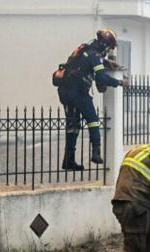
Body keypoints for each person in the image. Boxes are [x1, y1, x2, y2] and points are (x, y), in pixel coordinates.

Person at [54, 28, 126, 171]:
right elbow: (101, 77)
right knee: (93, 120)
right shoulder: (95, 55)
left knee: (73, 126)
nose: (108, 50)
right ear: (106, 45)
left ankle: (68, 161)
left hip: (65, 91)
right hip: (79, 91)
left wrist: (106, 62)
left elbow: (85, 62)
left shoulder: (84, 49)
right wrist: (120, 83)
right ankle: (96, 152)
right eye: (109, 47)